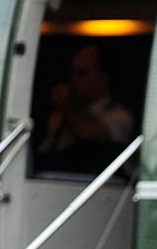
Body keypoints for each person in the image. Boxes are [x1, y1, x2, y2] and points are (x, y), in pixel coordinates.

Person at [36, 44, 134, 174]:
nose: (74, 80)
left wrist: (65, 104)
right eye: (72, 73)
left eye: (82, 73)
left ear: (103, 78)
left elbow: (88, 134)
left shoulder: (119, 116)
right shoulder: (60, 117)